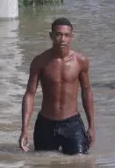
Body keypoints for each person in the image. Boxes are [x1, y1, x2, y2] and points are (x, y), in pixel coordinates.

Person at [19, 18, 95, 155]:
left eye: (66, 35)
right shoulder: (40, 61)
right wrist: (24, 129)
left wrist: (91, 126)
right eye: (58, 34)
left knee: (80, 163)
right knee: (43, 166)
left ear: (71, 37)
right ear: (51, 36)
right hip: (45, 123)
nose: (62, 39)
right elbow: (30, 94)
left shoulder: (80, 61)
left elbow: (86, 91)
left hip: (72, 123)